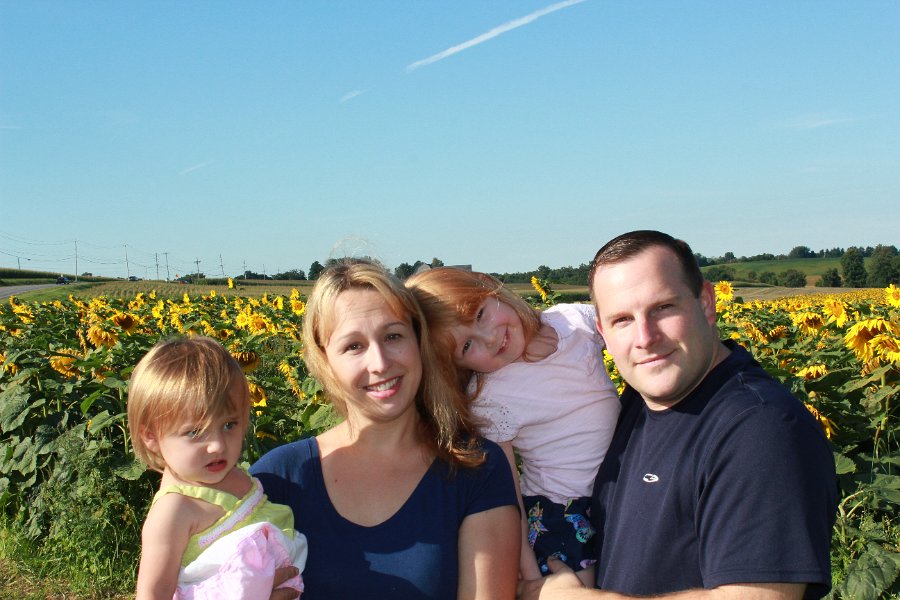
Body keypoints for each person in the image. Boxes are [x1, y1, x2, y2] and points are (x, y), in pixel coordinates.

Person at [521, 230, 837, 599]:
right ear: (602, 332)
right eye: (622, 319)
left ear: (706, 303)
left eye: (663, 308)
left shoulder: (760, 430)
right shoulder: (635, 405)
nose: (645, 337)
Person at [250, 259, 520, 600]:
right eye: (353, 346)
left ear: (418, 340)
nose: (379, 363)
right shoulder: (278, 479)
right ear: (324, 359)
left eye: (393, 336)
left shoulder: (475, 468)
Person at [406, 268, 620, 584]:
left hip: (625, 490)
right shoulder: (489, 396)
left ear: (491, 287)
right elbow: (508, 495)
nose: (490, 338)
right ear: (457, 366)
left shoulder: (575, 322)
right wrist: (531, 577)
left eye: (480, 315)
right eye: (466, 346)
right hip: (561, 513)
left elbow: (631, 337)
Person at [127, 336, 307, 600]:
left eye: (229, 425)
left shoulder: (234, 476)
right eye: (195, 432)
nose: (218, 446)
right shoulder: (174, 511)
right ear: (151, 436)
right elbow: (152, 594)